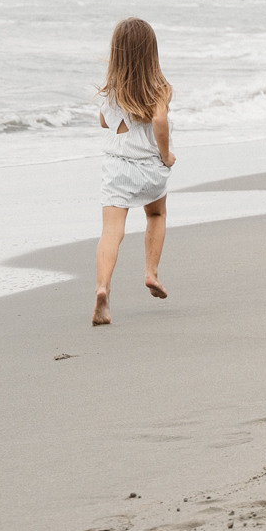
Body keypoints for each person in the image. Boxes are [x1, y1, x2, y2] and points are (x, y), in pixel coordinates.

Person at [92, 16, 173, 325]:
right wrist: (165, 155)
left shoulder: (111, 91)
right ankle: (151, 273)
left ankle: (103, 288)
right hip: (150, 168)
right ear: (151, 53)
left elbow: (104, 122)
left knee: (111, 231)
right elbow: (160, 122)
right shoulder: (160, 89)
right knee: (156, 215)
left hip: (117, 168)